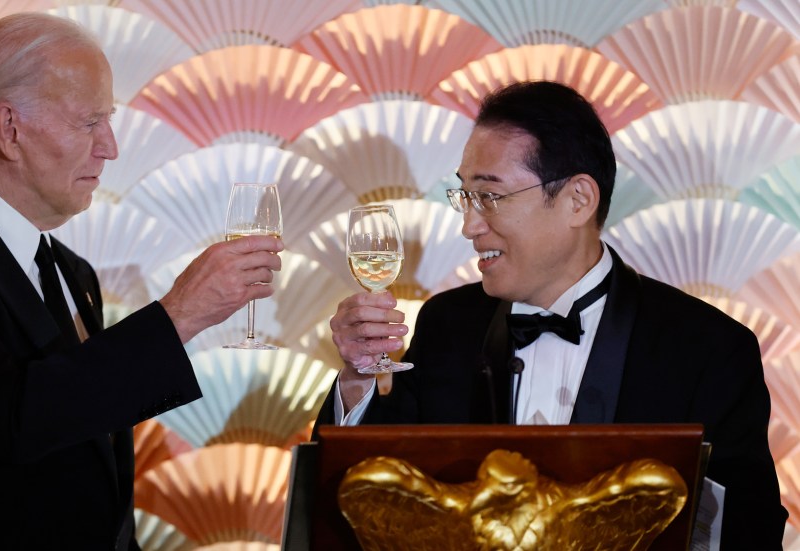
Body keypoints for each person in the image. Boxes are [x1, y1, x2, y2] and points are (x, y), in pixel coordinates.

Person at [0, 12, 283, 550]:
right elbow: (7, 423)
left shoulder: (73, 272)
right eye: (90, 122)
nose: (111, 146)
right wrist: (180, 314)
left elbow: (89, 462)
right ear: (10, 128)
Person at [313, 80, 786, 549]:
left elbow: (747, 529)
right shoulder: (446, 325)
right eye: (465, 197)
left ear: (578, 199)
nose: (469, 225)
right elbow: (364, 496)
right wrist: (358, 378)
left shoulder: (708, 348)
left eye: (491, 197)